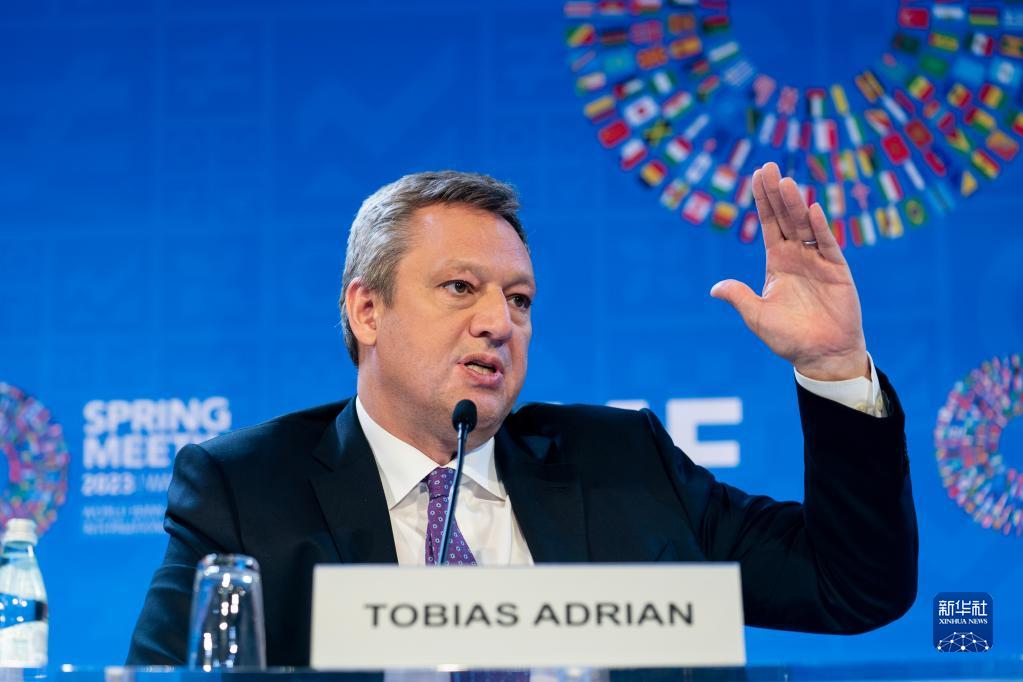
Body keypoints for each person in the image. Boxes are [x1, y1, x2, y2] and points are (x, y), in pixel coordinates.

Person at [127, 164, 917, 666]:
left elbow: (851, 587)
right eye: (460, 288)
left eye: (519, 300)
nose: (498, 323)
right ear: (367, 311)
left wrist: (832, 368)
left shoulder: (621, 462)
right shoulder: (247, 489)